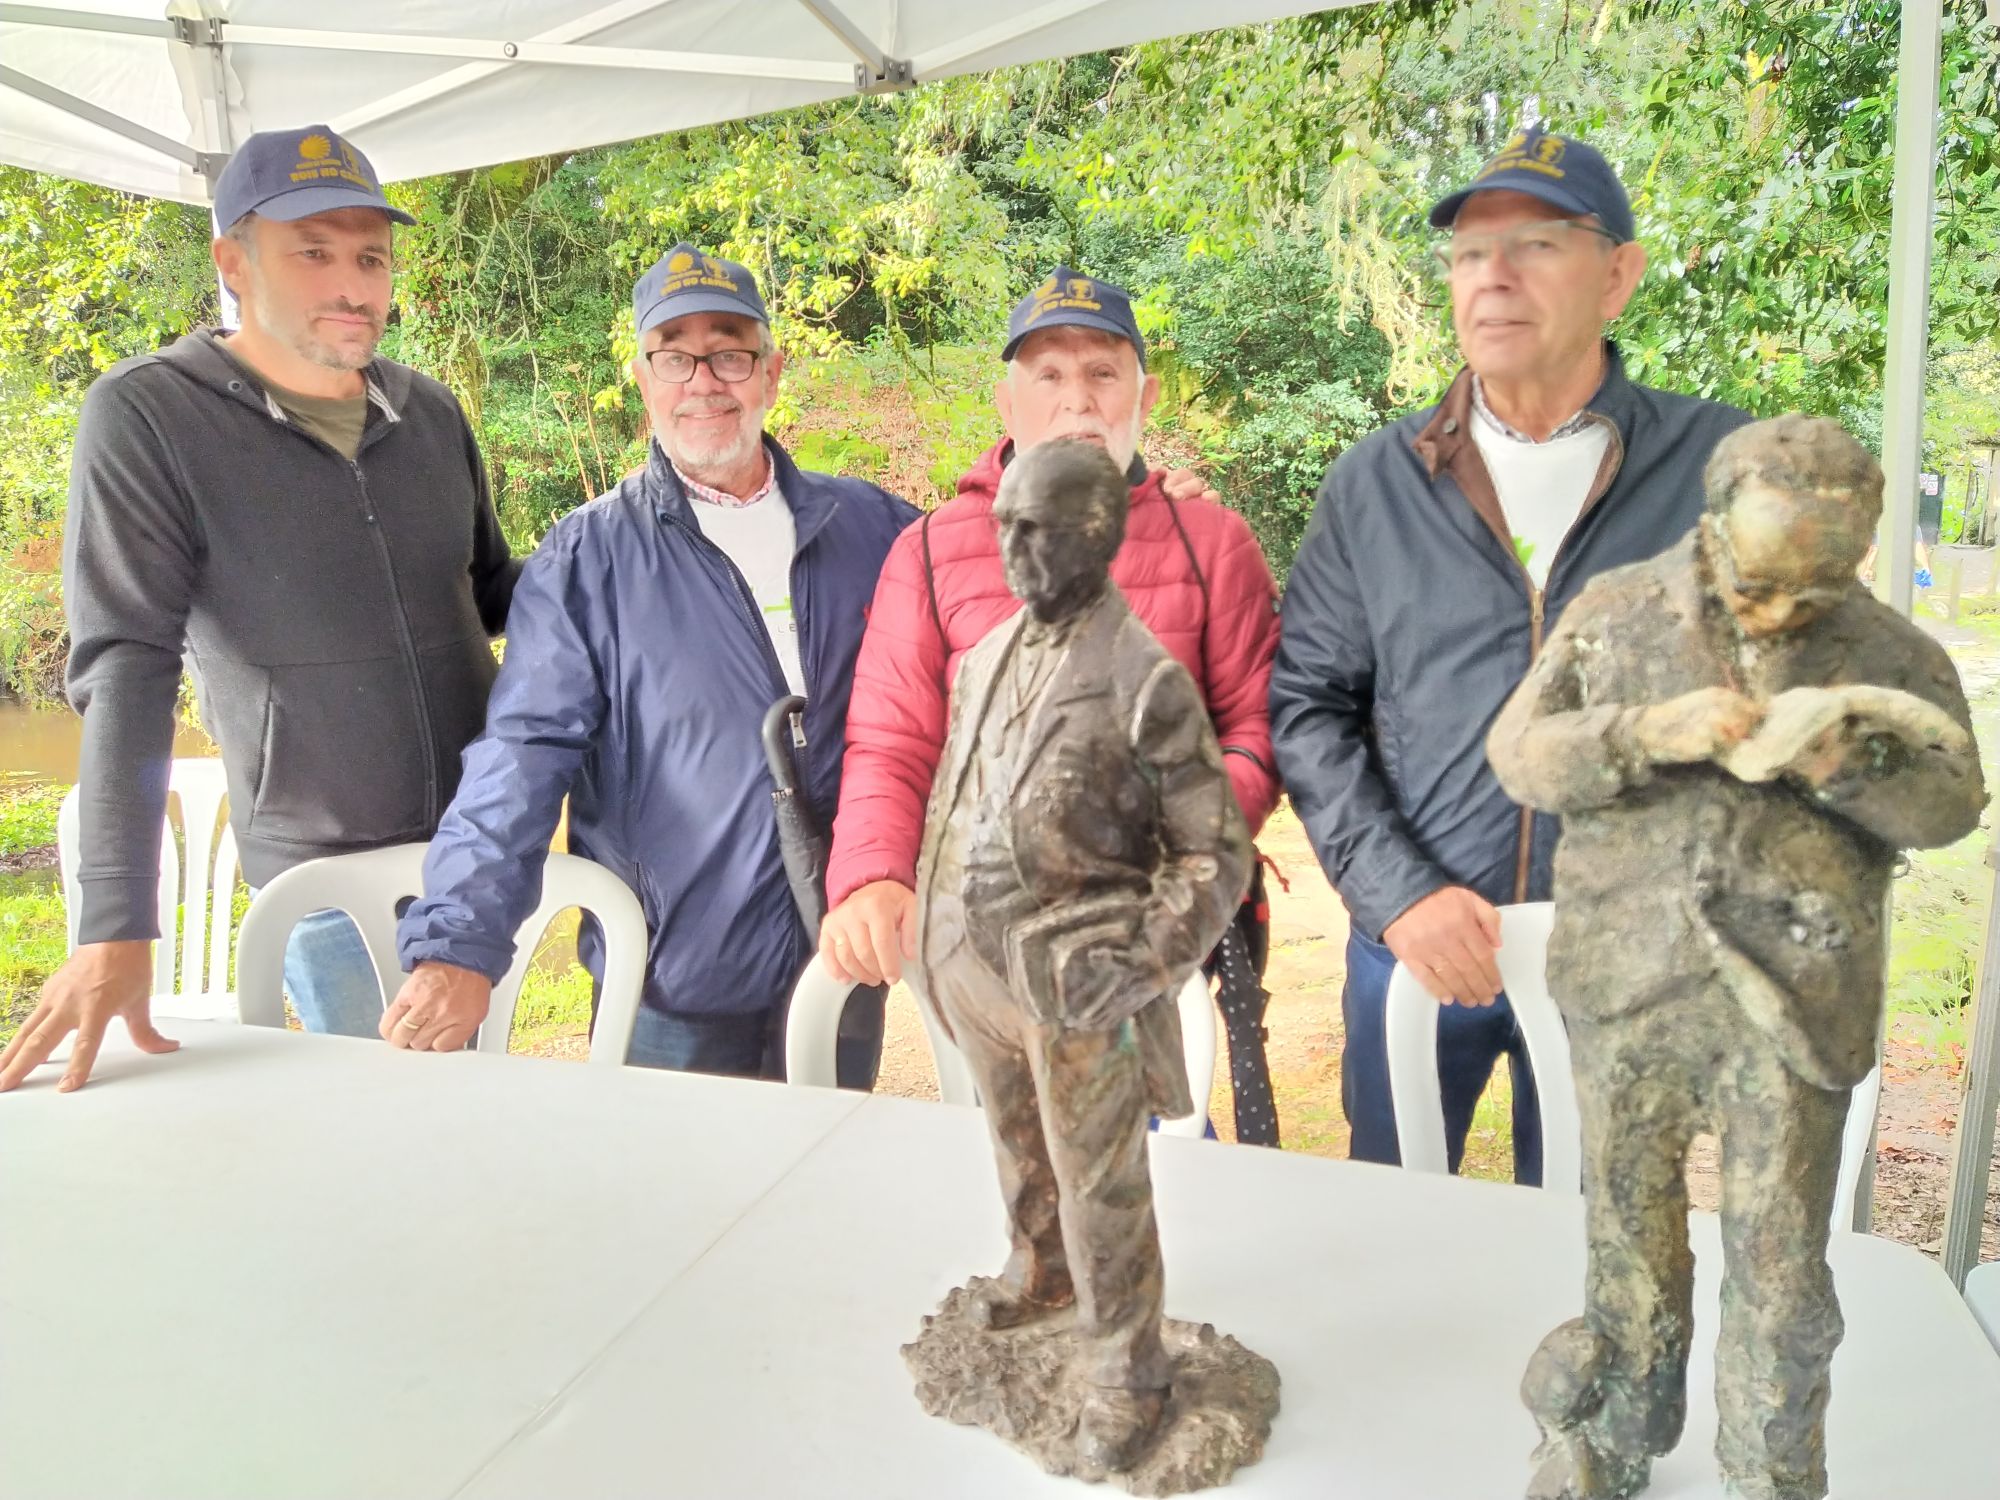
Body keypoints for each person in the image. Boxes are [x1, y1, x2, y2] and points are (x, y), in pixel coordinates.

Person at [1487, 415, 1983, 1499]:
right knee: (1626, 1238)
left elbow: (1951, 805)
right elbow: (1519, 754)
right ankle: (1613, 1435)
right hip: (1630, 983)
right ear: (1712, 525)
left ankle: (1768, 1476)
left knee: (1779, 1275)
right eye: (1762, 583)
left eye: (1815, 589)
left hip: (1791, 995)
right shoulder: (1614, 613)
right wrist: (1637, 736)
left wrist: (1844, 758)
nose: (1783, 612)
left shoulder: (1894, 653)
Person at [1269, 127, 1752, 1182]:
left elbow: (1774, 705)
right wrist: (1397, 896)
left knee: (1601, 1249)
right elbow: (1307, 708)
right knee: (1391, 1233)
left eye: (1535, 244)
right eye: (1466, 254)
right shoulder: (1374, 485)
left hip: (1618, 957)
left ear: (1616, 274)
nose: (1491, 277)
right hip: (1415, 945)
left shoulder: (1716, 467)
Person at [0, 126, 516, 1095]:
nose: (351, 285)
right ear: (233, 262)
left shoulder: (430, 412)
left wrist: (620, 571)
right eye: (311, 252)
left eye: (370, 256)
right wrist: (114, 920)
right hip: (323, 878)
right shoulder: (151, 419)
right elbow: (128, 668)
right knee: (385, 1126)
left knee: (492, 1115)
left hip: (486, 852)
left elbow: (493, 592)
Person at [385, 246, 917, 1082]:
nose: (704, 379)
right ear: (643, 382)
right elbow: (520, 758)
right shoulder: (584, 559)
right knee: (669, 1203)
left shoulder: (877, 528)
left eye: (730, 351)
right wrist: (458, 941)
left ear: (771, 373)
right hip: (672, 980)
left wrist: (1138, 505)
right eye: (674, 354)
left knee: (823, 1189)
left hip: (841, 958)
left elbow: (1000, 583)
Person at [915, 439, 1251, 1474]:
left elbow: (1214, 851)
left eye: (1035, 528)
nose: (1008, 545)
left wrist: (1141, 960)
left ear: (1098, 533)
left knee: (1099, 1178)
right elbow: (955, 788)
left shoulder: (1140, 678)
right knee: (1016, 1141)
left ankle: (1126, 1369)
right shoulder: (984, 656)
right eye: (1000, 523)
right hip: (970, 958)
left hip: (1078, 972)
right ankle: (1041, 1270)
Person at [819, 268, 1280, 1010]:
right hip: (986, 942)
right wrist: (874, 874)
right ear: (1007, 402)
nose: (1078, 400)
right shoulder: (929, 553)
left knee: (1165, 1121)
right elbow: (893, 743)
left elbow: (1254, 724)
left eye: (1103, 372)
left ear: (1144, 395)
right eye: (1049, 376)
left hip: (1165, 929)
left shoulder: (1213, 542)